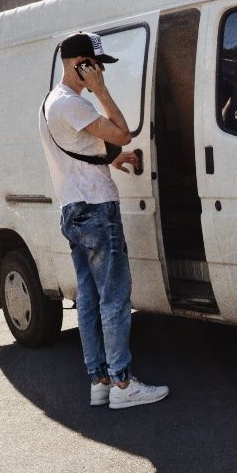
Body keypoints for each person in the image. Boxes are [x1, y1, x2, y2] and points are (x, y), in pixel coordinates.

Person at [38, 31, 169, 410]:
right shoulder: (73, 103)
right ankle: (124, 385)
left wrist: (113, 159)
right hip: (96, 209)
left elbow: (78, 148)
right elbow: (122, 133)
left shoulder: (52, 103)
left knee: (91, 300)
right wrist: (100, 92)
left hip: (74, 209)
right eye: (95, 66)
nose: (100, 73)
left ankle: (100, 381)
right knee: (114, 298)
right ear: (81, 64)